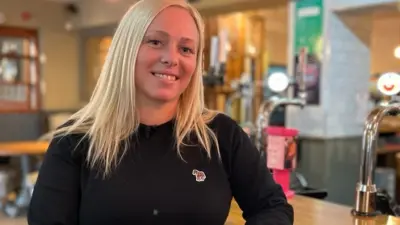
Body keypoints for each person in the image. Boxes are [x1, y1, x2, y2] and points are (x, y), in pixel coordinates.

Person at [27, 0, 294, 224]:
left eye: (186, 48)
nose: (172, 58)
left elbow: (273, 208)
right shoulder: (75, 141)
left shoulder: (221, 135)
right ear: (126, 50)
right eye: (155, 42)